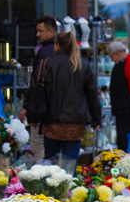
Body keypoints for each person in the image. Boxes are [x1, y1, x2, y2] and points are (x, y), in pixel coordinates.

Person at [41, 30, 101, 160]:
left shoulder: (49, 63)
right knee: (70, 164)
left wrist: (34, 116)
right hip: (76, 121)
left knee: (50, 165)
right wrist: (96, 119)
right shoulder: (82, 64)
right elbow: (93, 95)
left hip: (52, 120)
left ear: (56, 44)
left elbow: (41, 91)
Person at [19, 16, 57, 160]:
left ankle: (38, 178)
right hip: (60, 111)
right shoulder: (63, 54)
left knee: (38, 146)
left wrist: (27, 106)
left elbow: (36, 81)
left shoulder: (44, 53)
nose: (37, 35)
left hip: (42, 108)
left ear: (51, 32)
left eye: (40, 31)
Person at [107, 41, 130, 151]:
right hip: (123, 109)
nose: (112, 60)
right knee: (123, 140)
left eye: (111, 56)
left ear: (117, 53)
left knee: (126, 142)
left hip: (127, 110)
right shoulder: (124, 64)